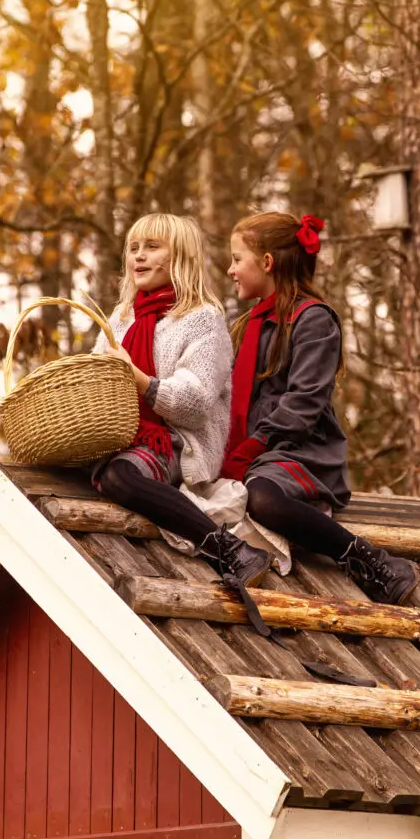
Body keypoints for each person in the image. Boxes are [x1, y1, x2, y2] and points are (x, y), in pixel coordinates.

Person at [221, 210, 418, 605]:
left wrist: (253, 447)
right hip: (253, 450)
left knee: (262, 498)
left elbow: (303, 404)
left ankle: (369, 561)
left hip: (299, 450)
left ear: (267, 262)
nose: (230, 270)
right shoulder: (246, 326)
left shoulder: (313, 320)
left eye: (237, 259)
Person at [90, 213, 273, 605]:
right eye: (134, 249)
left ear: (180, 258)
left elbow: (193, 404)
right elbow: (95, 384)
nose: (138, 257)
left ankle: (229, 549)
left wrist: (139, 379)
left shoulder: (202, 320)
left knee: (119, 476)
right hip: (120, 436)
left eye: (152, 247)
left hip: (176, 443)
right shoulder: (120, 320)